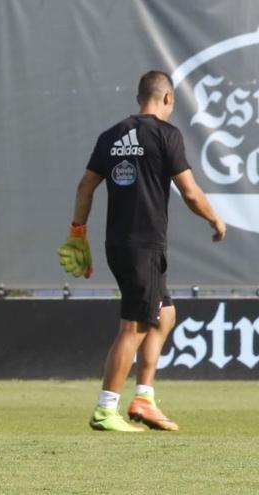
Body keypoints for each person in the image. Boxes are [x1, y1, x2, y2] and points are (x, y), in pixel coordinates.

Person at [59, 70, 226, 432]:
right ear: (168, 99)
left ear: (139, 98)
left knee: (163, 314)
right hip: (144, 244)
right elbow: (191, 193)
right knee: (135, 325)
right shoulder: (166, 135)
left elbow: (86, 185)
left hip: (119, 242)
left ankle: (144, 399)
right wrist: (216, 220)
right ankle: (106, 409)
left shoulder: (111, 136)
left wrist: (78, 233)